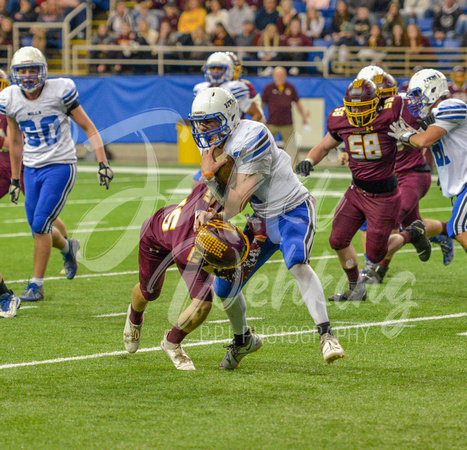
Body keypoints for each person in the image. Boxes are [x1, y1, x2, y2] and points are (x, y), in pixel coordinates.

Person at [190, 87, 345, 367]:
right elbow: (219, 190)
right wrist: (205, 207)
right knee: (225, 288)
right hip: (261, 217)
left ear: (228, 117)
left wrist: (212, 186)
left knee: (296, 262)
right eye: (199, 122)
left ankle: (326, 335)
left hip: (292, 209)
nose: (203, 128)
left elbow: (236, 201)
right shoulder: (212, 143)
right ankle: (243, 340)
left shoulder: (254, 136)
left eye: (210, 121)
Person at [296, 78, 431, 301]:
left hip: (385, 197)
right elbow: (323, 145)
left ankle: (412, 233)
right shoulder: (341, 119)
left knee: (376, 254)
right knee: (337, 240)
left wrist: (426, 120)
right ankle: (355, 287)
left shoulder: (390, 112)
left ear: (377, 103)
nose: (357, 112)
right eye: (353, 107)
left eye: (362, 107)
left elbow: (417, 104)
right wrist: (309, 160)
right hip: (356, 192)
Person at [0, 47, 113, 302]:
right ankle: (68, 248)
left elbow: (87, 125)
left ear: (43, 71)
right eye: (22, 70)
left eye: (32, 70)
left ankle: (36, 285)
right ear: (15, 73)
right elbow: (15, 141)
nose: (28, 76)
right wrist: (16, 179)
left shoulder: (60, 90)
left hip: (60, 165)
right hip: (31, 168)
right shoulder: (10, 97)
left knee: (41, 224)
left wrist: (102, 161)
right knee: (37, 228)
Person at [123, 181, 267, 370]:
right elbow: (232, 275)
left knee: (203, 304)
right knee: (150, 292)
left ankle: (171, 343)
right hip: (155, 239)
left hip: (183, 235)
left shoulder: (211, 196)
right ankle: (134, 317)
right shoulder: (191, 253)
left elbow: (207, 185)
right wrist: (258, 242)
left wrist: (208, 211)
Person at [351, 69, 454, 283]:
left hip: (411, 174)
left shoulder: (411, 105)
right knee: (411, 224)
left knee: (387, 222)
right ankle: (444, 232)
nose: (383, 101)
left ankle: (374, 269)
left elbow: (436, 132)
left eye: (386, 95)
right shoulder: (364, 112)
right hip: (388, 177)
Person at [388, 68, 467, 252]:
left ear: (432, 89)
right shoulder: (436, 114)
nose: (415, 100)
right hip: (462, 181)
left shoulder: (451, 105)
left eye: (417, 94)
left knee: (458, 228)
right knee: (458, 228)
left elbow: (424, 140)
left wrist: (405, 135)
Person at [192, 52, 265, 188]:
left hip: (231, 139)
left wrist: (247, 137)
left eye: (219, 68)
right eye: (212, 68)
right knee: (197, 182)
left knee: (226, 184)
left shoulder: (235, 88)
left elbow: (256, 113)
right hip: (213, 141)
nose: (215, 72)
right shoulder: (200, 88)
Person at [261, 66, 309, 157]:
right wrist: (261, 118)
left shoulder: (290, 87)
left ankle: (294, 169)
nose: (279, 77)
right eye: (277, 75)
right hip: (271, 123)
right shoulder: (268, 88)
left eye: (281, 75)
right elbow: (262, 104)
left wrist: (303, 117)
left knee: (291, 148)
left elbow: (297, 103)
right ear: (273, 76)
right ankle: (262, 168)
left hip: (287, 123)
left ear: (285, 76)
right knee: (265, 146)